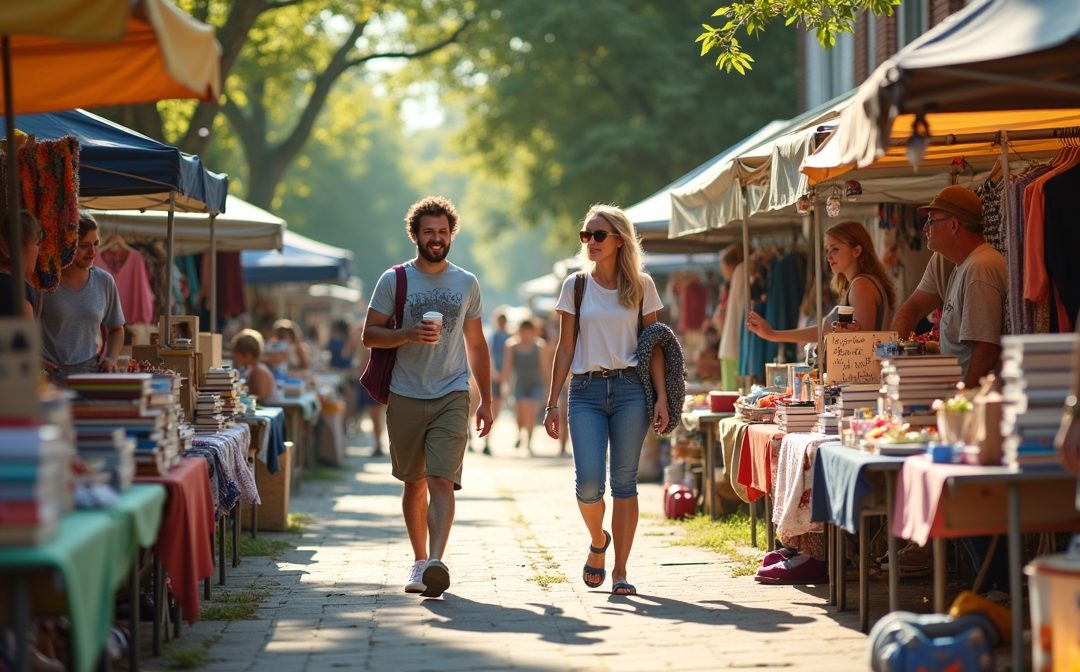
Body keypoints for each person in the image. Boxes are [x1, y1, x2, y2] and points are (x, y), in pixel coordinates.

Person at [362, 195, 492, 599]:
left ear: (451, 234)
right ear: (415, 235)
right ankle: (419, 559)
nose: (436, 238)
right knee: (414, 482)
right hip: (405, 392)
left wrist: (486, 399)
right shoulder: (393, 280)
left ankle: (436, 560)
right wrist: (406, 333)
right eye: (428, 232)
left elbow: (477, 344)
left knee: (441, 479)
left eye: (442, 231)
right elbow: (369, 334)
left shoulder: (466, 282)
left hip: (453, 390)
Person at [543, 204, 666, 596]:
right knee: (589, 484)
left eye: (599, 235)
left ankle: (621, 572)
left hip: (632, 390)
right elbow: (564, 348)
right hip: (585, 392)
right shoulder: (575, 286)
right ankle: (599, 540)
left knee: (624, 482)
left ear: (619, 240)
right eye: (586, 235)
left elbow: (656, 347)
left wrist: (662, 396)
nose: (591, 242)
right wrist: (551, 404)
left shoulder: (642, 285)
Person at [890, 186, 1006, 389]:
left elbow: (986, 350)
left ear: (953, 225)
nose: (926, 228)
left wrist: (964, 404)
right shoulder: (962, 263)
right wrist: (894, 354)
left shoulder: (980, 267)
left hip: (972, 399)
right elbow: (913, 308)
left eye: (931, 221)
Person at [746, 220, 897, 343]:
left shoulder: (862, 285)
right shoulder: (859, 284)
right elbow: (824, 331)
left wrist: (773, 335)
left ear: (856, 251)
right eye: (827, 250)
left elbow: (862, 345)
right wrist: (773, 334)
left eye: (835, 249)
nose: (828, 257)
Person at [40, 212, 125, 380]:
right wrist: (36, 360)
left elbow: (116, 328)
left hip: (92, 375)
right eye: (84, 245)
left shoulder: (104, 281)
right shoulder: (44, 282)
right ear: (67, 245)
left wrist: (110, 358)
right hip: (49, 377)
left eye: (96, 243)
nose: (92, 251)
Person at [502, 318, 550, 454]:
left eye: (529, 332)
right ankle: (519, 433)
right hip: (519, 385)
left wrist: (549, 389)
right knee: (520, 414)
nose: (526, 335)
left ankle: (528, 442)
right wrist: (504, 385)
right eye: (524, 332)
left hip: (535, 384)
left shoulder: (540, 346)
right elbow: (507, 367)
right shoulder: (511, 345)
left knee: (530, 413)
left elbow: (545, 369)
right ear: (520, 332)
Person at [0, 209, 42, 318]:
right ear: (21, 246)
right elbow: (26, 335)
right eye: (37, 243)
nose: (39, 250)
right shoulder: (19, 292)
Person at [485, 308, 511, 455]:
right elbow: (490, 354)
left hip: (503, 376)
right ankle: (487, 439)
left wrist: (506, 375)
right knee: (493, 408)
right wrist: (493, 371)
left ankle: (488, 438)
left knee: (498, 410)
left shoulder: (508, 336)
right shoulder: (493, 336)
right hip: (494, 376)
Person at [229, 328, 278, 401]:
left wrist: (239, 399)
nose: (235, 357)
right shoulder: (252, 369)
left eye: (237, 354)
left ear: (248, 354)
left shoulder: (258, 371)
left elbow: (261, 397)